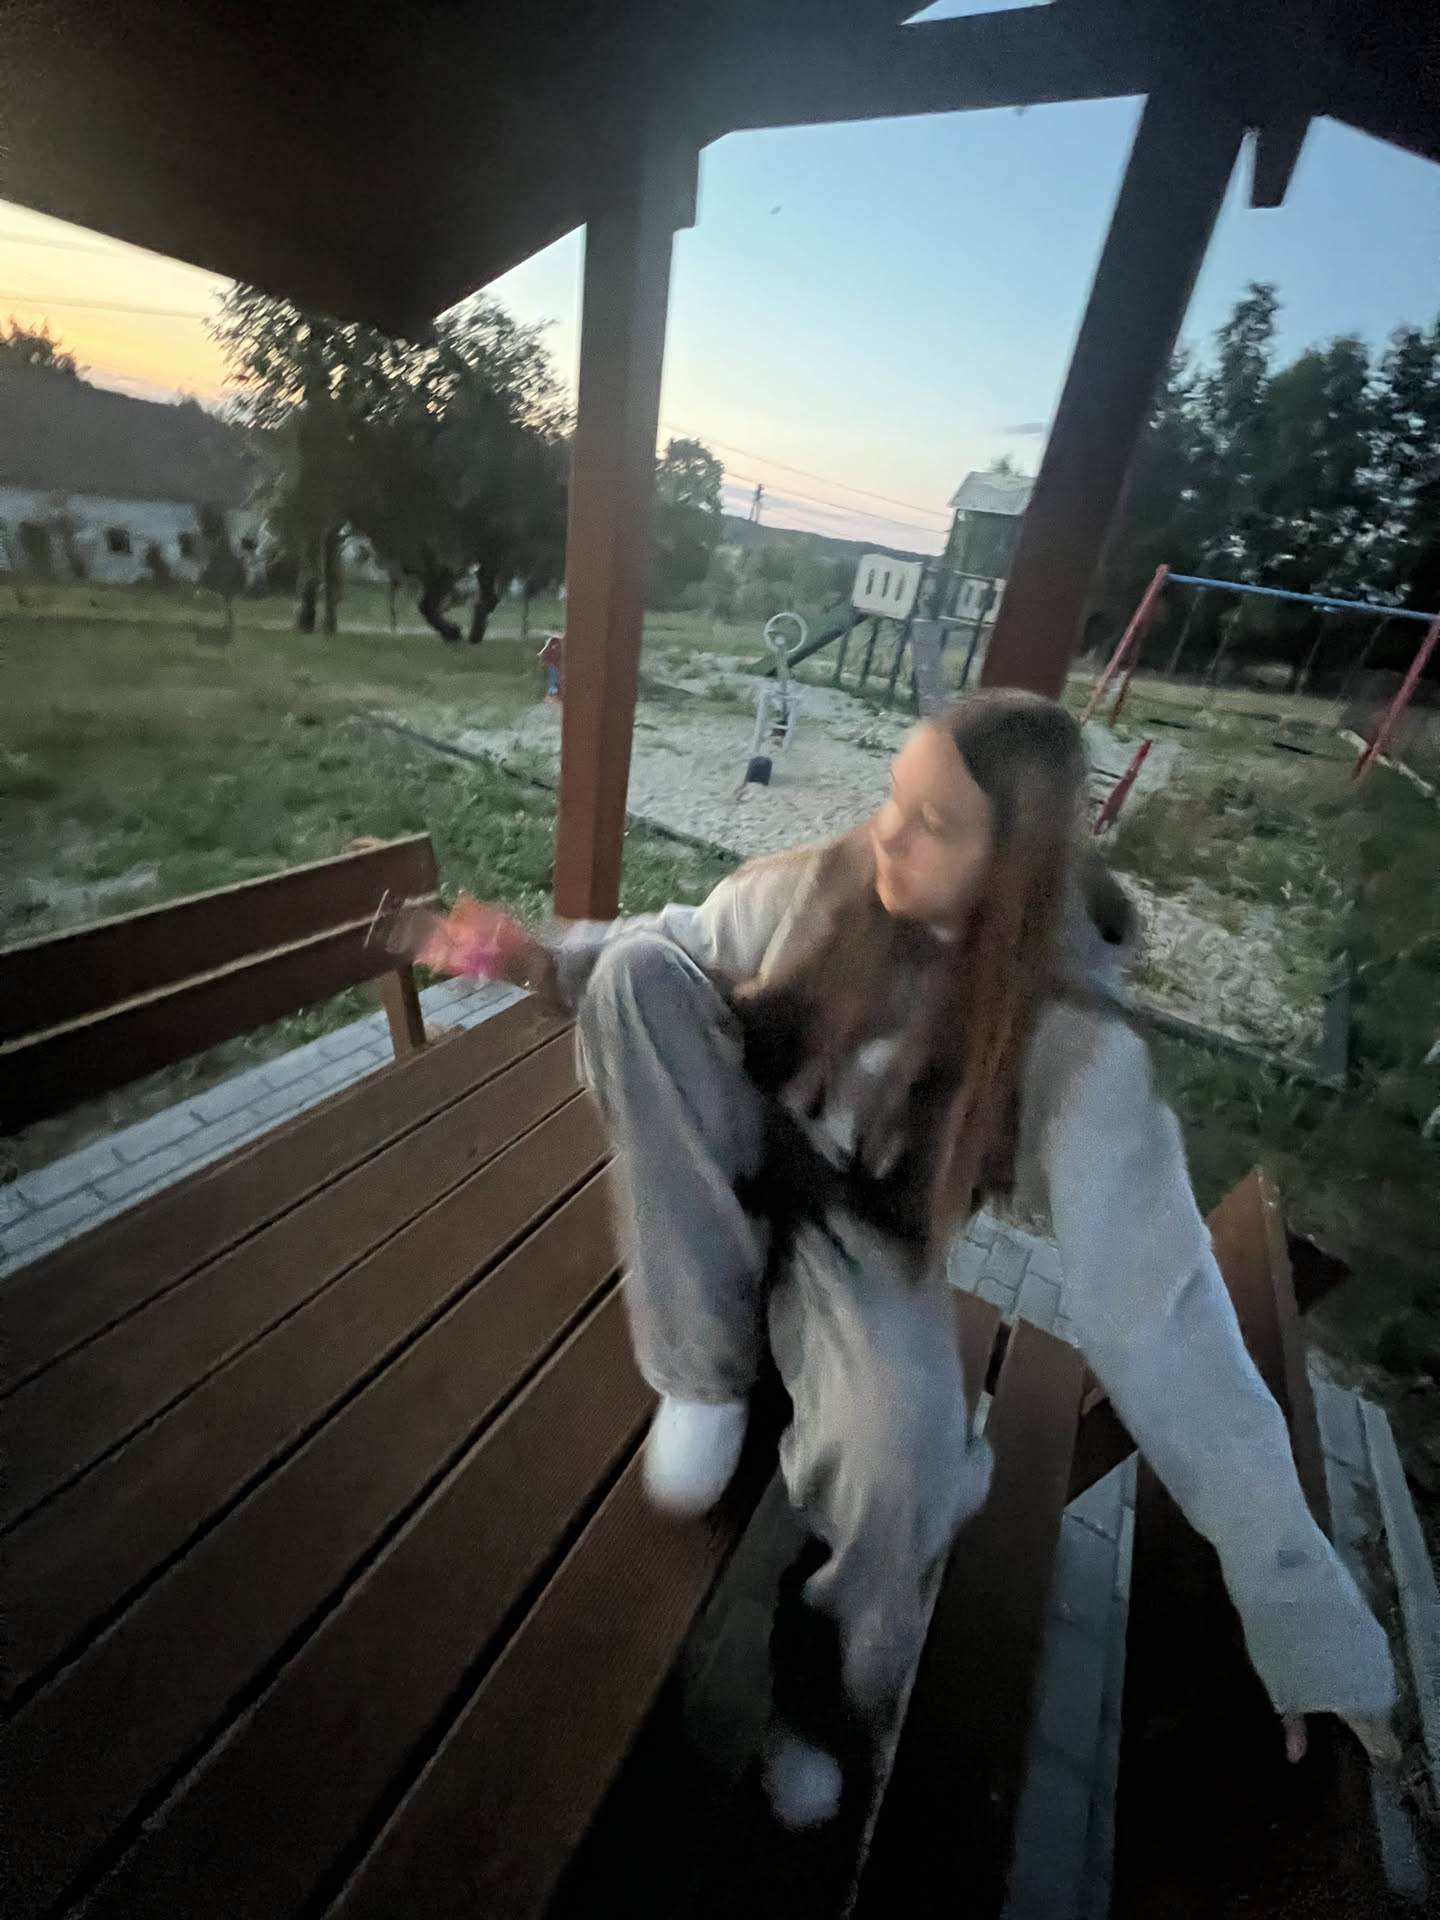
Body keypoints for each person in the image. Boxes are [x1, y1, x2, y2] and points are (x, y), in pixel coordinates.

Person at [421, 689, 1396, 1831]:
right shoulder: (826, 884)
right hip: (720, 1177)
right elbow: (676, 950)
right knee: (636, 974)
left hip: (863, 1245)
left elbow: (1166, 1313)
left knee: (908, 1465)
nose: (888, 832)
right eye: (896, 795)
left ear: (1012, 865)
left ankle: (822, 1704)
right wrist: (536, 959)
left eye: (933, 823)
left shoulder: (1069, 1037)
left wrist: (1304, 1617)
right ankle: (703, 1376)